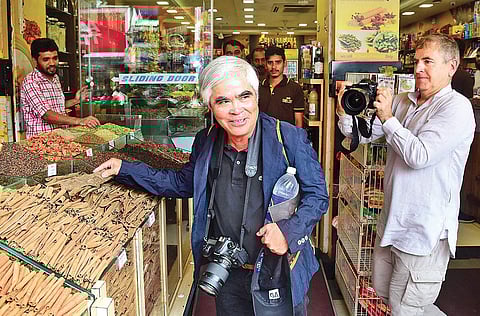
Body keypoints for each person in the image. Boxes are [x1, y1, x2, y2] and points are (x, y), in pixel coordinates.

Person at [94, 56, 329, 316]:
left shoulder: (288, 138)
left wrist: (288, 232)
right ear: (210, 106)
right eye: (223, 101)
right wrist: (125, 169)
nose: (236, 110)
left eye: (244, 97)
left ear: (257, 98)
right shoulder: (206, 141)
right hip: (228, 273)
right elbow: (182, 183)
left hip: (280, 270)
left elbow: (317, 195)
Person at [337, 34, 475, 315]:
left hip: (424, 232)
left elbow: (419, 156)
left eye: (428, 61)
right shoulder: (403, 101)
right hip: (392, 224)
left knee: (407, 307)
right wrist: (344, 111)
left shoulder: (457, 109)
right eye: (416, 61)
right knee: (388, 297)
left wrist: (388, 118)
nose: (419, 68)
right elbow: (363, 137)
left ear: (452, 66)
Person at [21, 38, 99, 138]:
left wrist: (75, 100)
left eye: (55, 58)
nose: (52, 63)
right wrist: (80, 121)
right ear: (35, 60)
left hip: (61, 140)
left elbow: (56, 107)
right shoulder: (31, 82)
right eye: (46, 59)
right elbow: (47, 115)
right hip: (42, 143)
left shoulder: (55, 78)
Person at [259, 46, 304, 128]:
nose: (274, 67)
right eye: (270, 62)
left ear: (285, 63)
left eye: (278, 62)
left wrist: (297, 139)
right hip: (262, 138)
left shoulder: (295, 88)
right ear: (265, 64)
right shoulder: (258, 88)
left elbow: (298, 121)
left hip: (286, 138)